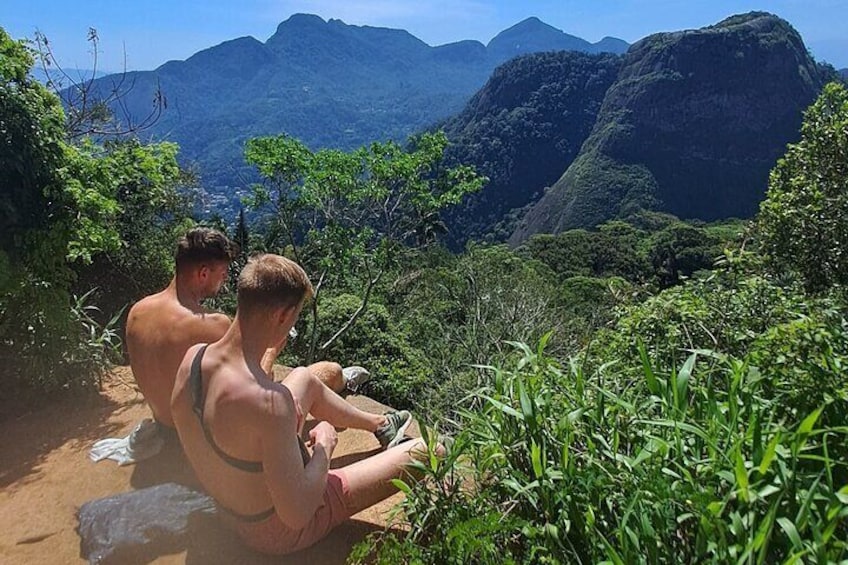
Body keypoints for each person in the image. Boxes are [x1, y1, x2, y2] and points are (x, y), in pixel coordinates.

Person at [170, 254, 433, 555]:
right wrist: (325, 445)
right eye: (294, 317)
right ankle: (381, 435)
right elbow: (298, 514)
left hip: (228, 506)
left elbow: (230, 416)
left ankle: (381, 424)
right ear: (282, 316)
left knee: (303, 378)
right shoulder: (271, 404)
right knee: (430, 451)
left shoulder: (193, 359)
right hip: (274, 532)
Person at [125, 227, 349, 436]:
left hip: (166, 427)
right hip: (207, 437)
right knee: (328, 371)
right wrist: (271, 350)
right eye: (222, 273)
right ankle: (346, 385)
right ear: (203, 273)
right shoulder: (213, 324)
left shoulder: (138, 311)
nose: (224, 280)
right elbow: (254, 385)